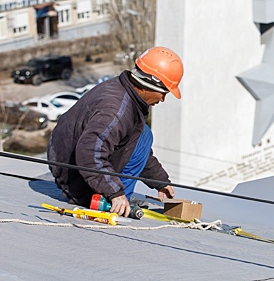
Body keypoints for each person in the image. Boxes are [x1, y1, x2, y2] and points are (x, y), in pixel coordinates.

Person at [48, 46, 184, 217]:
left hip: (71, 161)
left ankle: (114, 194)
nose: (163, 99)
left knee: (143, 134)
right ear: (148, 84)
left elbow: (134, 146)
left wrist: (159, 181)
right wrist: (115, 193)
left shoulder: (125, 93)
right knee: (140, 136)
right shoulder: (116, 110)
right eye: (163, 93)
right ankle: (115, 203)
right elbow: (89, 152)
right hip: (72, 176)